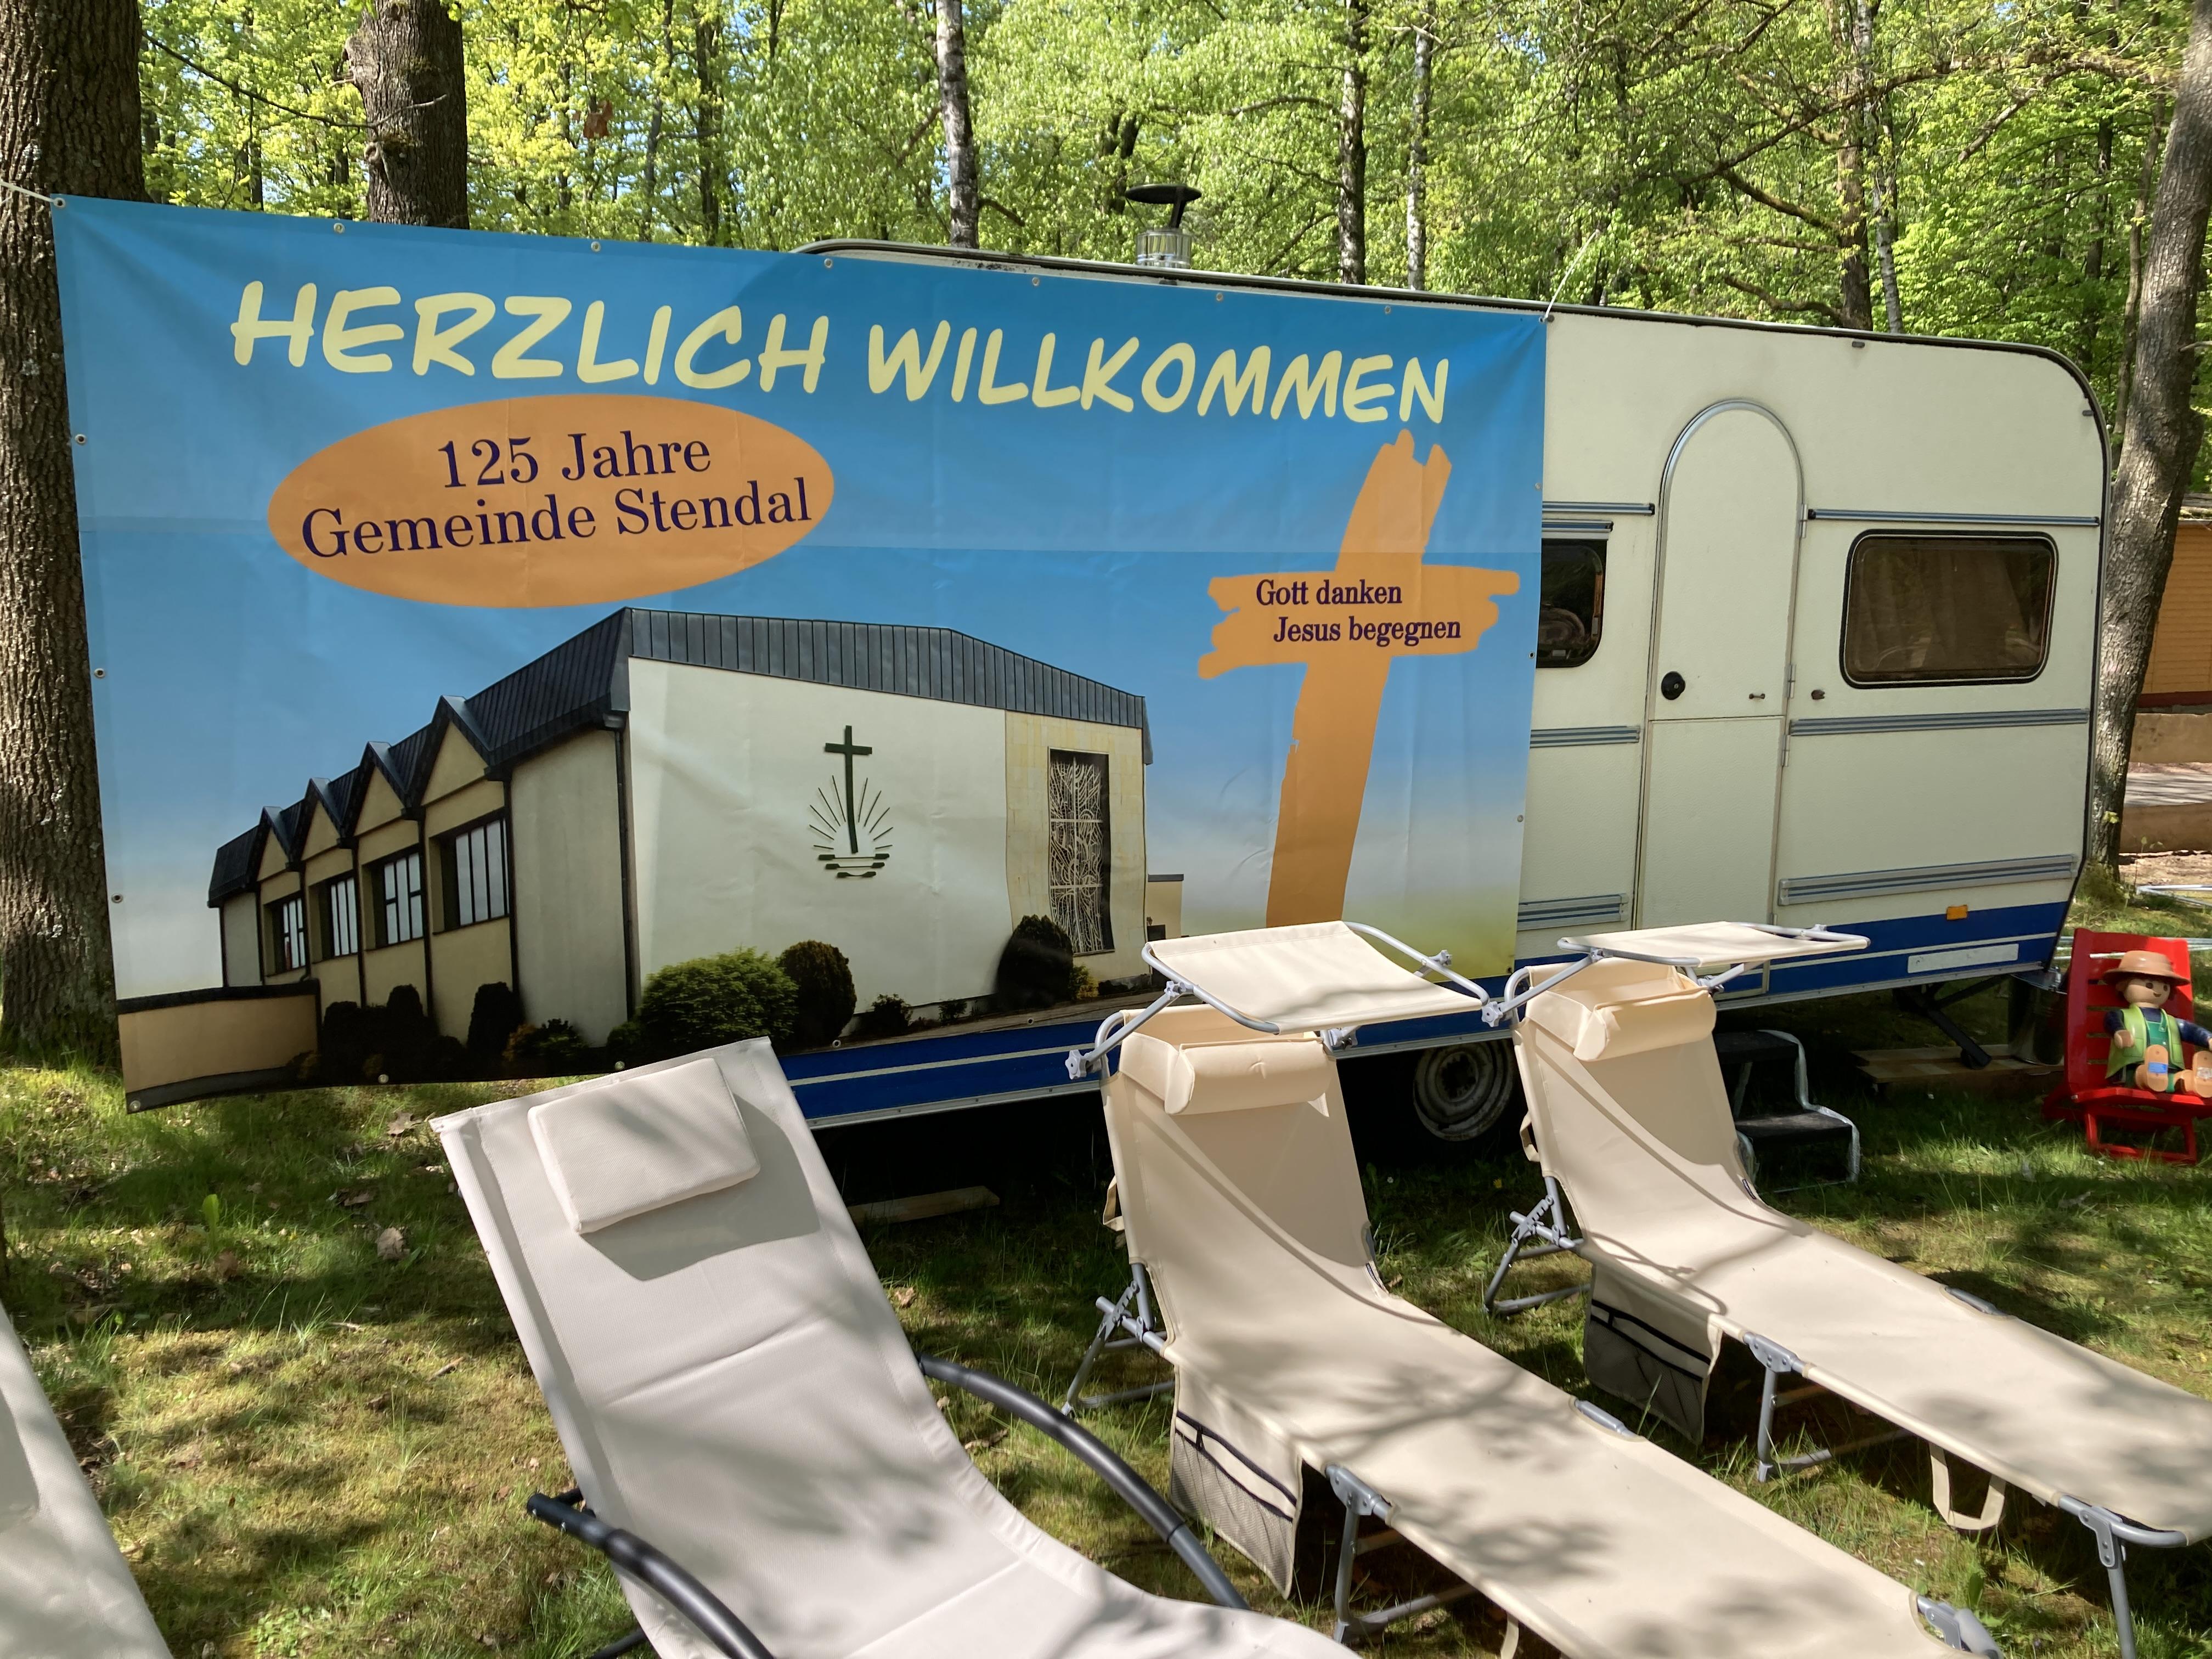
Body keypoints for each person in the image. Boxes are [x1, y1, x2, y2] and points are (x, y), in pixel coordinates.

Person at [2102, 950, 2212, 1096]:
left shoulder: (2171, 1022)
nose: (2158, 991)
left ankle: (2191, 1081)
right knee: (2146, 1073)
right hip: (2133, 1068)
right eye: (2149, 985)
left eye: (2165, 987)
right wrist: (2120, 1032)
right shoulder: (2124, 1015)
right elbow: (2112, 1021)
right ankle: (2151, 1076)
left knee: (2174, 1077)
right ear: (2123, 985)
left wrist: (2208, 1039)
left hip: (2169, 1069)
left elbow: (2191, 1030)